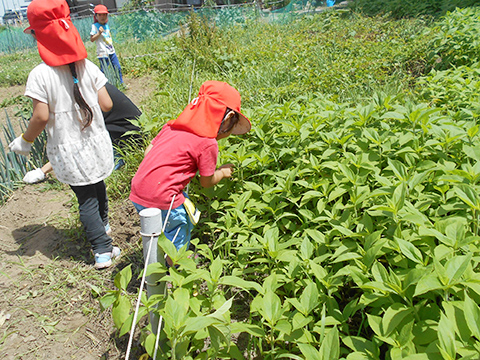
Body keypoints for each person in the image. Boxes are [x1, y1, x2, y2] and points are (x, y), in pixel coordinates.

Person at [8, 0, 119, 270]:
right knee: (98, 186)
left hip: (70, 149)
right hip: (97, 143)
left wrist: (26, 140)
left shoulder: (40, 75)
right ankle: (102, 229)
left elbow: (41, 116)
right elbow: (107, 105)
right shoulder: (87, 66)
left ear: (37, 35)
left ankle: (101, 249)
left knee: (86, 199)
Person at [129, 81, 251, 266]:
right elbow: (207, 182)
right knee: (180, 228)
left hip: (138, 191)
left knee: (156, 229)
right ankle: (176, 267)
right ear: (228, 119)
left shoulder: (171, 127)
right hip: (165, 198)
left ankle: (156, 258)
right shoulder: (208, 142)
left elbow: (148, 152)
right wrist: (223, 172)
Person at [22, 82, 142, 183]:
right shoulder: (85, 81)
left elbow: (75, 143)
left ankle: (118, 160)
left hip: (127, 140)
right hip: (130, 132)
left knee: (93, 177)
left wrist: (42, 171)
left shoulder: (82, 97)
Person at [90, 5, 124, 84]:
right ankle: (103, 85)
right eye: (100, 15)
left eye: (104, 14)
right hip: (102, 53)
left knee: (117, 67)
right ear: (96, 16)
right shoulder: (94, 26)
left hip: (111, 51)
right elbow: (92, 39)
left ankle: (120, 83)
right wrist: (99, 33)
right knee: (104, 70)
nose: (102, 17)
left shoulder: (106, 25)